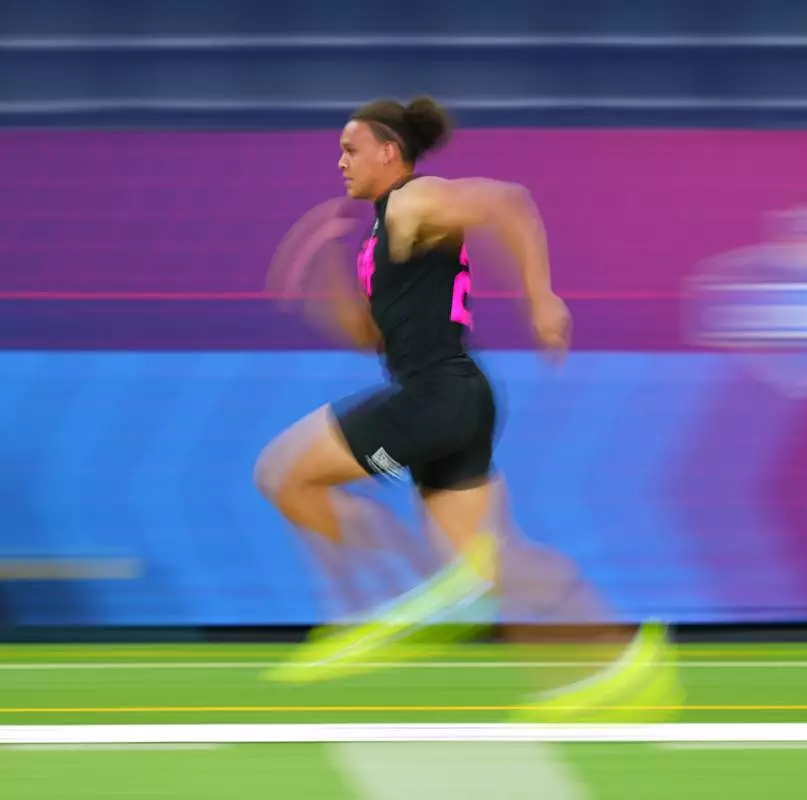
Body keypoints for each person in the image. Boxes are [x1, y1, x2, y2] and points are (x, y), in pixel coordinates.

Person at [255, 96, 678, 719]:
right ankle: (617, 660)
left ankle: (387, 600)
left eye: (350, 150)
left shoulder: (414, 199)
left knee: (284, 475)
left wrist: (541, 298)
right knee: (493, 559)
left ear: (388, 152)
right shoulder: (384, 232)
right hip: (455, 400)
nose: (340, 162)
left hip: (436, 397)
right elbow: (376, 337)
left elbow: (507, 201)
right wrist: (327, 288)